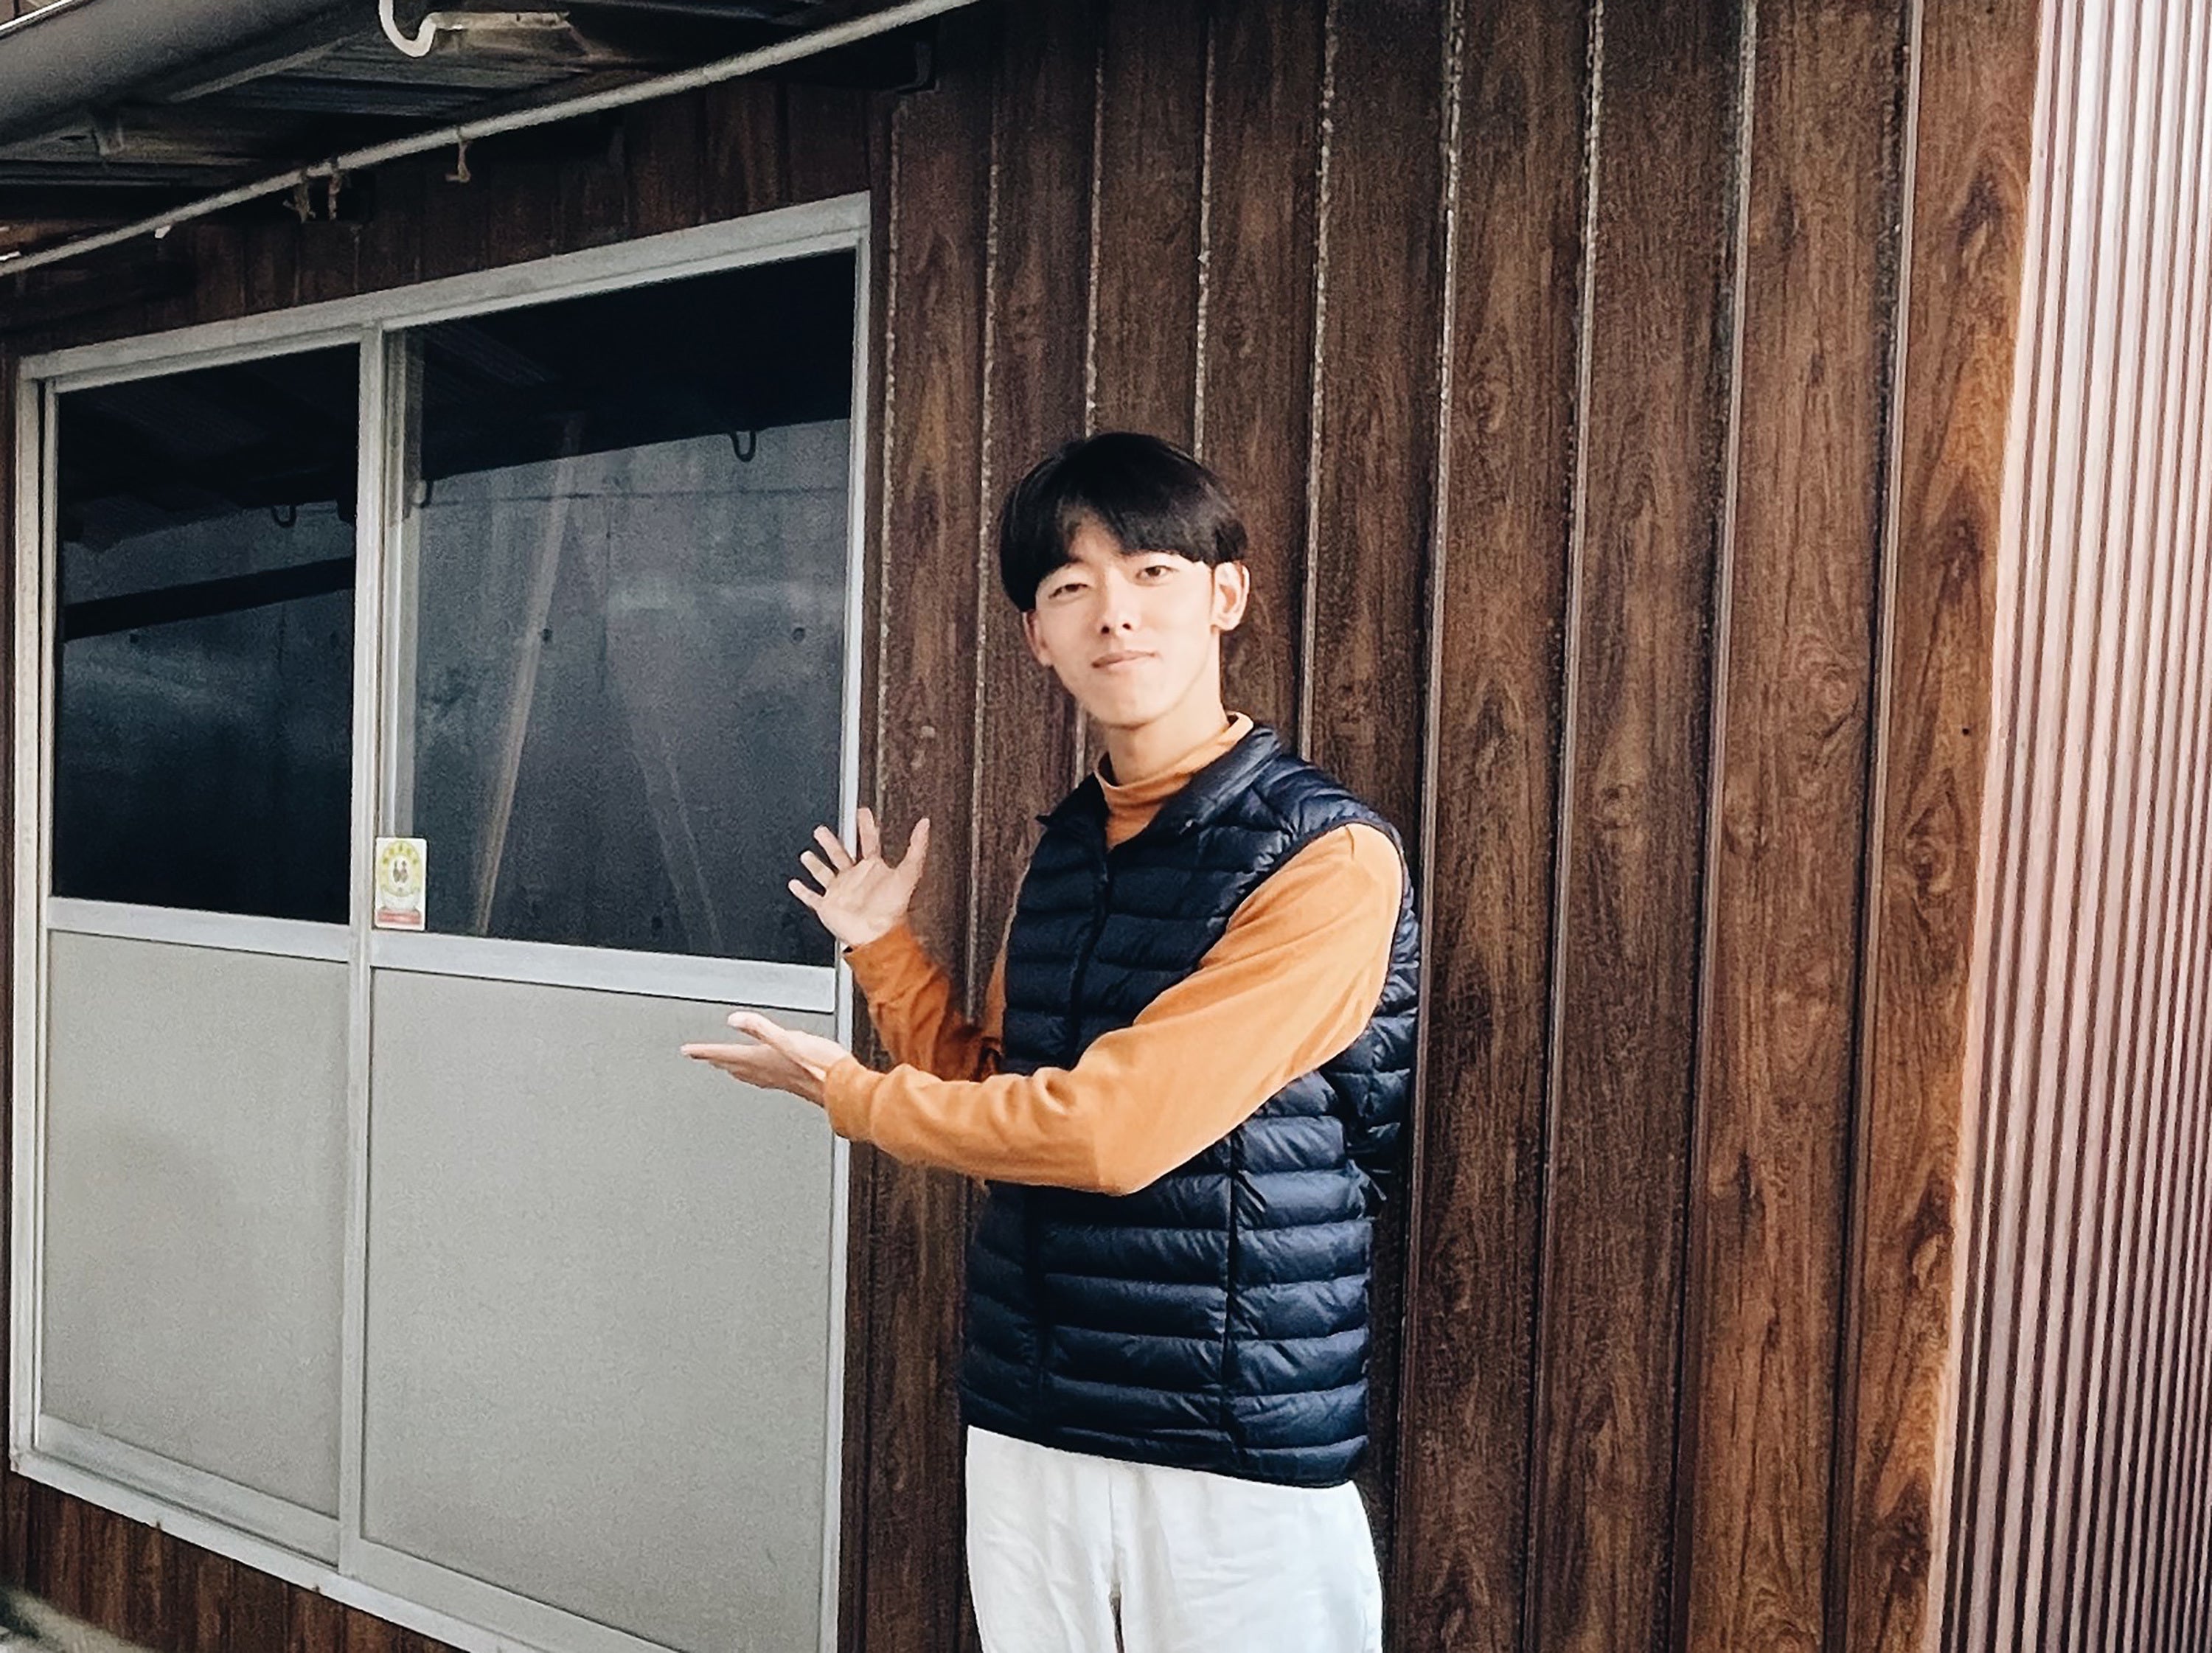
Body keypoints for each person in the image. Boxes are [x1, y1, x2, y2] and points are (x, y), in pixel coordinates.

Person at [684, 431, 1418, 1653]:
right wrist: (885, 952)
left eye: (1152, 573)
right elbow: (1002, 1098)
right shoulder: (1071, 849)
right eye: (1072, 586)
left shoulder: (1328, 858)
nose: (1114, 613)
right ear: (1037, 634)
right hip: (1035, 1417)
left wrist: (853, 1096)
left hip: (1229, 1444)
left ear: (1225, 595)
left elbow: (1108, 1133)